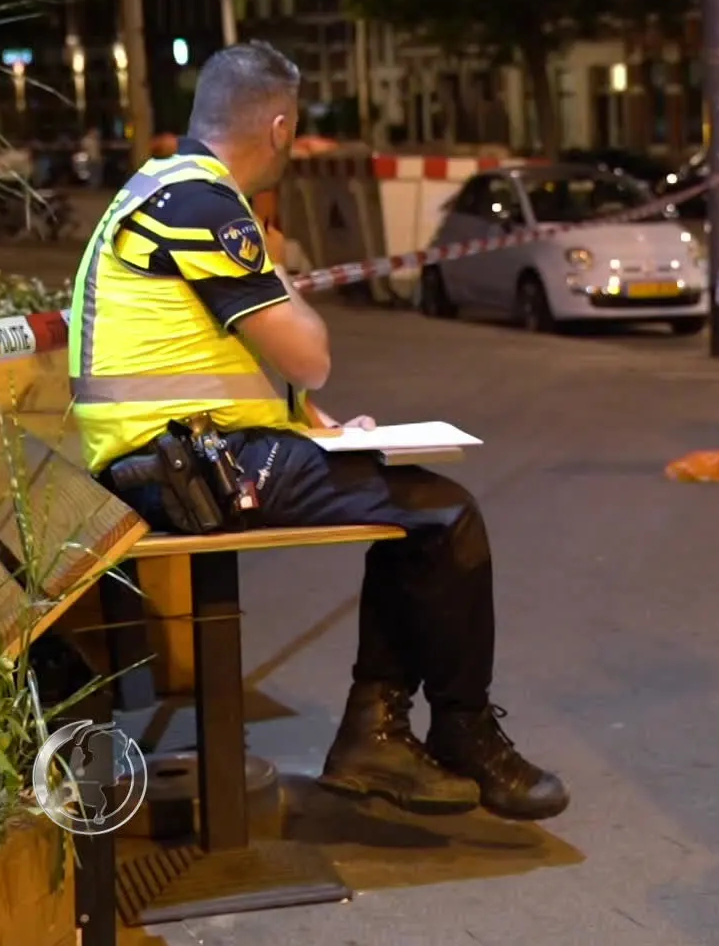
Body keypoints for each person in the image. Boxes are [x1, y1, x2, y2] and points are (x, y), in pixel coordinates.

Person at [67, 41, 568, 823]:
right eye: (293, 131)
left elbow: (216, 357)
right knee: (444, 514)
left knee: (414, 509)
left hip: (169, 460)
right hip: (185, 472)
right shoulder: (204, 205)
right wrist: (279, 274)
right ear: (276, 126)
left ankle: (379, 733)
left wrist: (311, 427)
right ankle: (453, 732)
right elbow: (311, 352)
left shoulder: (163, 189)